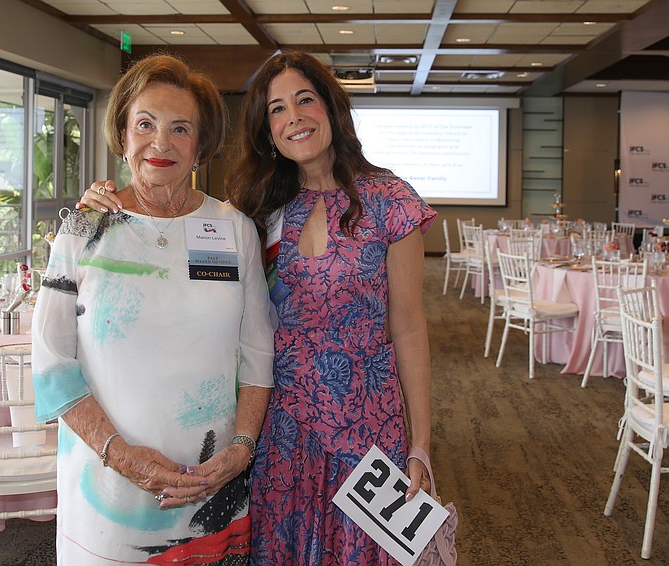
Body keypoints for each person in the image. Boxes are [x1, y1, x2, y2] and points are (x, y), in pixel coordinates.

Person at [80, 51, 438, 565]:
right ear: (267, 130)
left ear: (331, 108)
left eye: (305, 100)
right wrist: (101, 201)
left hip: (367, 427)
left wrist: (420, 443)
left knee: (363, 553)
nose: (293, 117)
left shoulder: (391, 201)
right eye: (276, 109)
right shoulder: (259, 209)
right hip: (282, 427)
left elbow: (409, 328)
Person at [32, 54, 275, 565]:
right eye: (145, 124)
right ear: (123, 135)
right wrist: (120, 456)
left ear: (201, 145)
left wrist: (242, 449)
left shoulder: (234, 230)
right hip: (108, 492)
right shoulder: (82, 231)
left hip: (214, 485)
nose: (160, 142)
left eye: (180, 128)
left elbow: (258, 353)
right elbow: (52, 366)